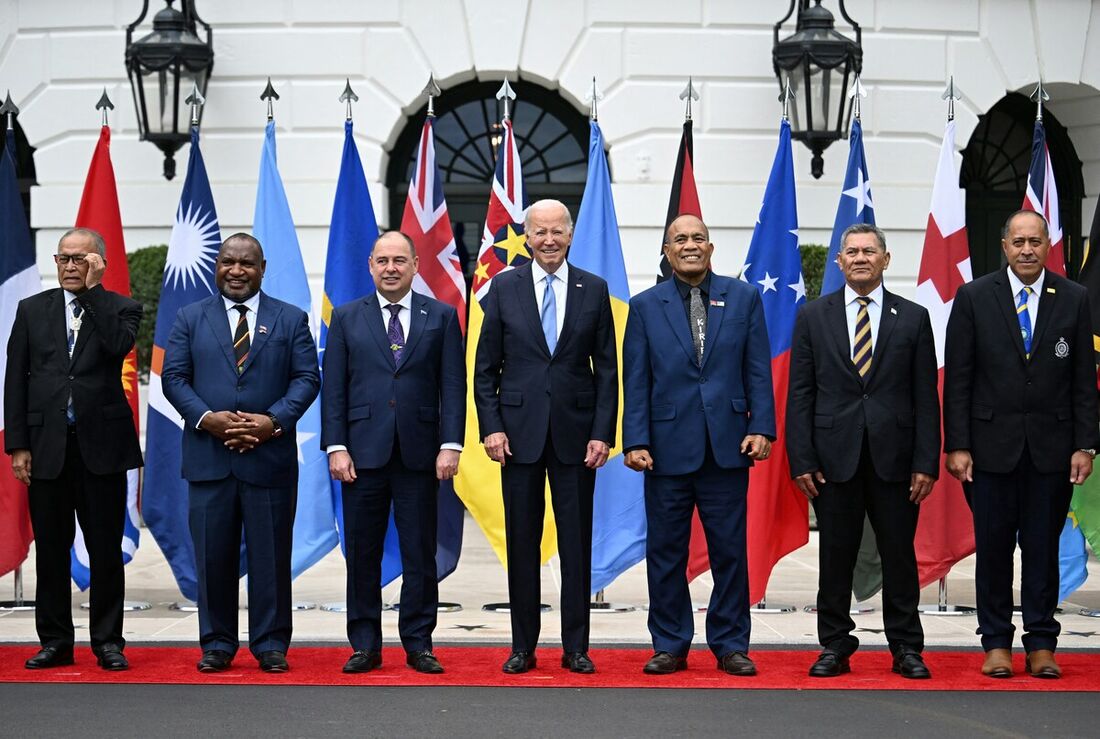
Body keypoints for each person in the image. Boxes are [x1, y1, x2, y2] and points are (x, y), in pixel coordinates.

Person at [945, 209, 1098, 679]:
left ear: (1046, 245)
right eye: (1019, 242)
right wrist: (959, 444)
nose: (1027, 250)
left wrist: (1085, 445)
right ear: (1005, 247)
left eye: (1036, 242)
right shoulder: (973, 297)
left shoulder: (1073, 298)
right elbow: (959, 379)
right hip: (989, 450)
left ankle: (1041, 643)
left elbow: (1082, 382)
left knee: (1041, 549)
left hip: (1052, 451)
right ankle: (995, 642)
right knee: (992, 550)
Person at [623, 214, 774, 677]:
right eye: (680, 240)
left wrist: (762, 427)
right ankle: (670, 643)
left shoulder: (744, 297)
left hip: (729, 446)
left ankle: (730, 644)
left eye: (698, 238)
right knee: (666, 553)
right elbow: (637, 378)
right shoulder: (645, 305)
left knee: (730, 551)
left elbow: (757, 369)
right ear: (666, 252)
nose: (690, 245)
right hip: (665, 450)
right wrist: (635, 439)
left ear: (711, 247)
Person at [162, 233, 320, 674]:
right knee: (213, 558)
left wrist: (271, 422)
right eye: (228, 261)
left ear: (262, 268)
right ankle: (217, 644)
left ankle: (271, 644)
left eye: (246, 263)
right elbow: (173, 378)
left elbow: (306, 379)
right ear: (217, 266)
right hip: (209, 458)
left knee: (271, 556)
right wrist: (207, 418)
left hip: (268, 457)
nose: (236, 270)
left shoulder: (289, 319)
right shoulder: (190, 317)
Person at [786, 223, 939, 680]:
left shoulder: (912, 318)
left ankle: (906, 647)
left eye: (869, 251)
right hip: (833, 460)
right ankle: (834, 644)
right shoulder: (813, 317)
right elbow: (800, 394)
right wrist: (802, 459)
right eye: (850, 251)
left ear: (885, 260)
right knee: (835, 555)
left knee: (899, 556)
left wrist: (925, 462)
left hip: (896, 461)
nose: (859, 258)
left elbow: (926, 398)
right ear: (839, 262)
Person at [473, 199, 618, 675]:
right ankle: (523, 646)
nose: (549, 240)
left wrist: (603, 433)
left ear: (570, 236)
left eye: (558, 231)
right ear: (528, 236)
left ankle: (576, 646)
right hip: (517, 437)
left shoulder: (593, 290)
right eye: (540, 232)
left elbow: (608, 371)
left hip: (578, 439)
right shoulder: (502, 288)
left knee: (576, 545)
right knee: (522, 544)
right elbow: (484, 370)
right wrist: (491, 427)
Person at [321, 231, 465, 675]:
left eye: (399, 260)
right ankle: (365, 643)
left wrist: (451, 444)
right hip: (361, 457)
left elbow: (452, 386)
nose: (390, 268)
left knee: (420, 553)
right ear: (370, 265)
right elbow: (335, 388)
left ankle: (419, 642)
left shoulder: (440, 316)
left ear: (416, 265)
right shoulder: (346, 318)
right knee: (361, 553)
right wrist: (337, 445)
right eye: (382, 260)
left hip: (421, 456)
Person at [4, 228, 143, 671]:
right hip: (46, 447)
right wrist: (18, 445)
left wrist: (96, 293)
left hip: (101, 447)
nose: (69, 266)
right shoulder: (32, 310)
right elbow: (16, 379)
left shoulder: (121, 307)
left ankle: (107, 642)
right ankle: (56, 641)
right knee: (51, 546)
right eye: (63, 258)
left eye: (79, 259)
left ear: (98, 263)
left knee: (104, 549)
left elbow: (118, 347)